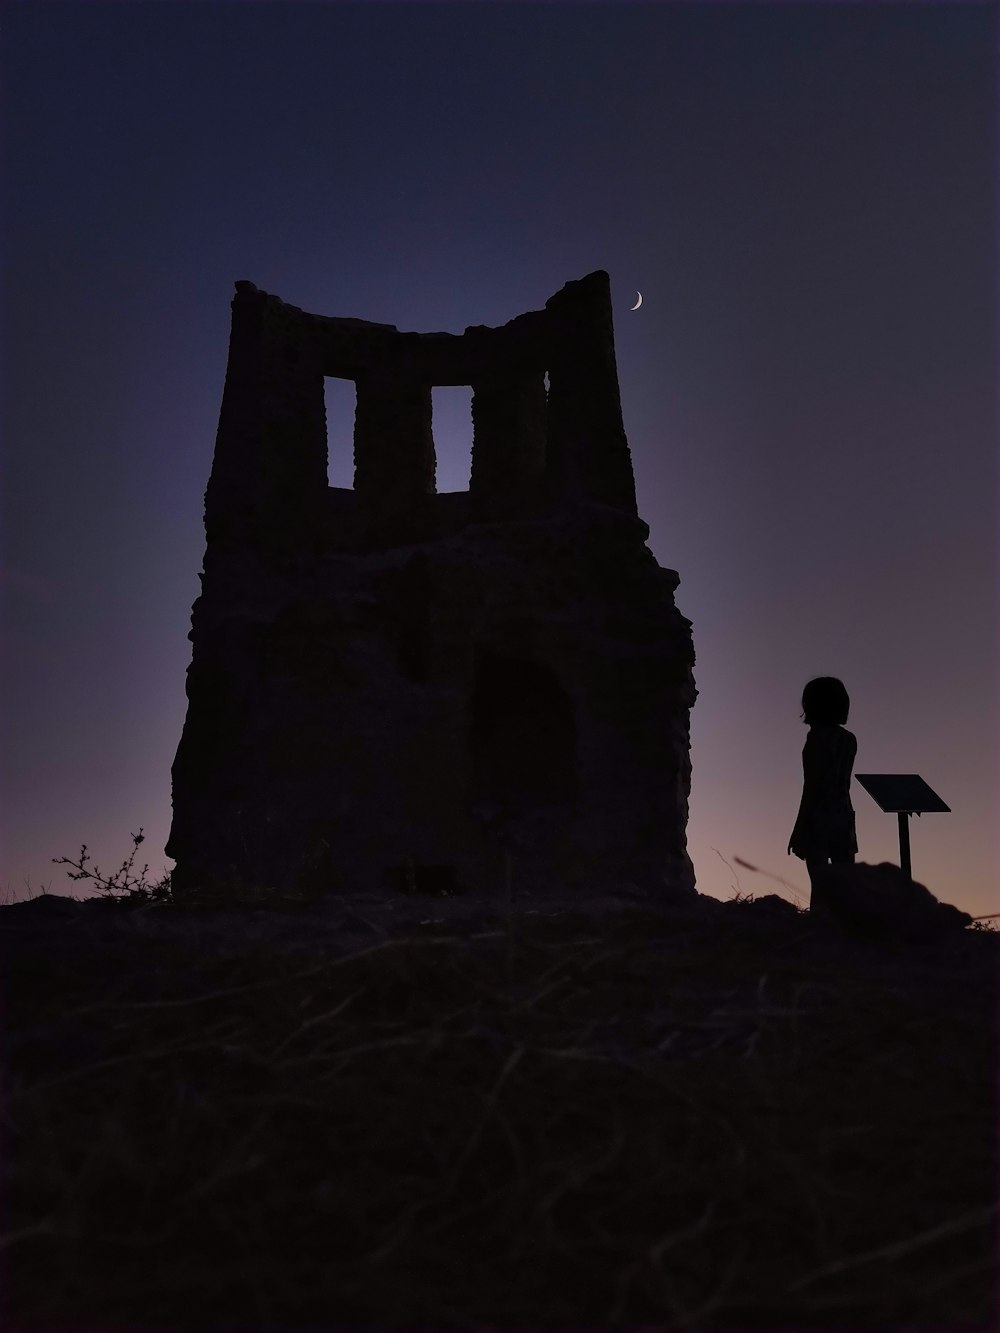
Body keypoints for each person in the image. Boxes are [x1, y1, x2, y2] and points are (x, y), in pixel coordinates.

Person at [787, 676, 858, 914]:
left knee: (819, 885)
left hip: (819, 816)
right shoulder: (849, 740)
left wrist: (799, 829)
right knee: (846, 884)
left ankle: (821, 929)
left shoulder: (817, 738)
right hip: (844, 815)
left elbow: (813, 786)